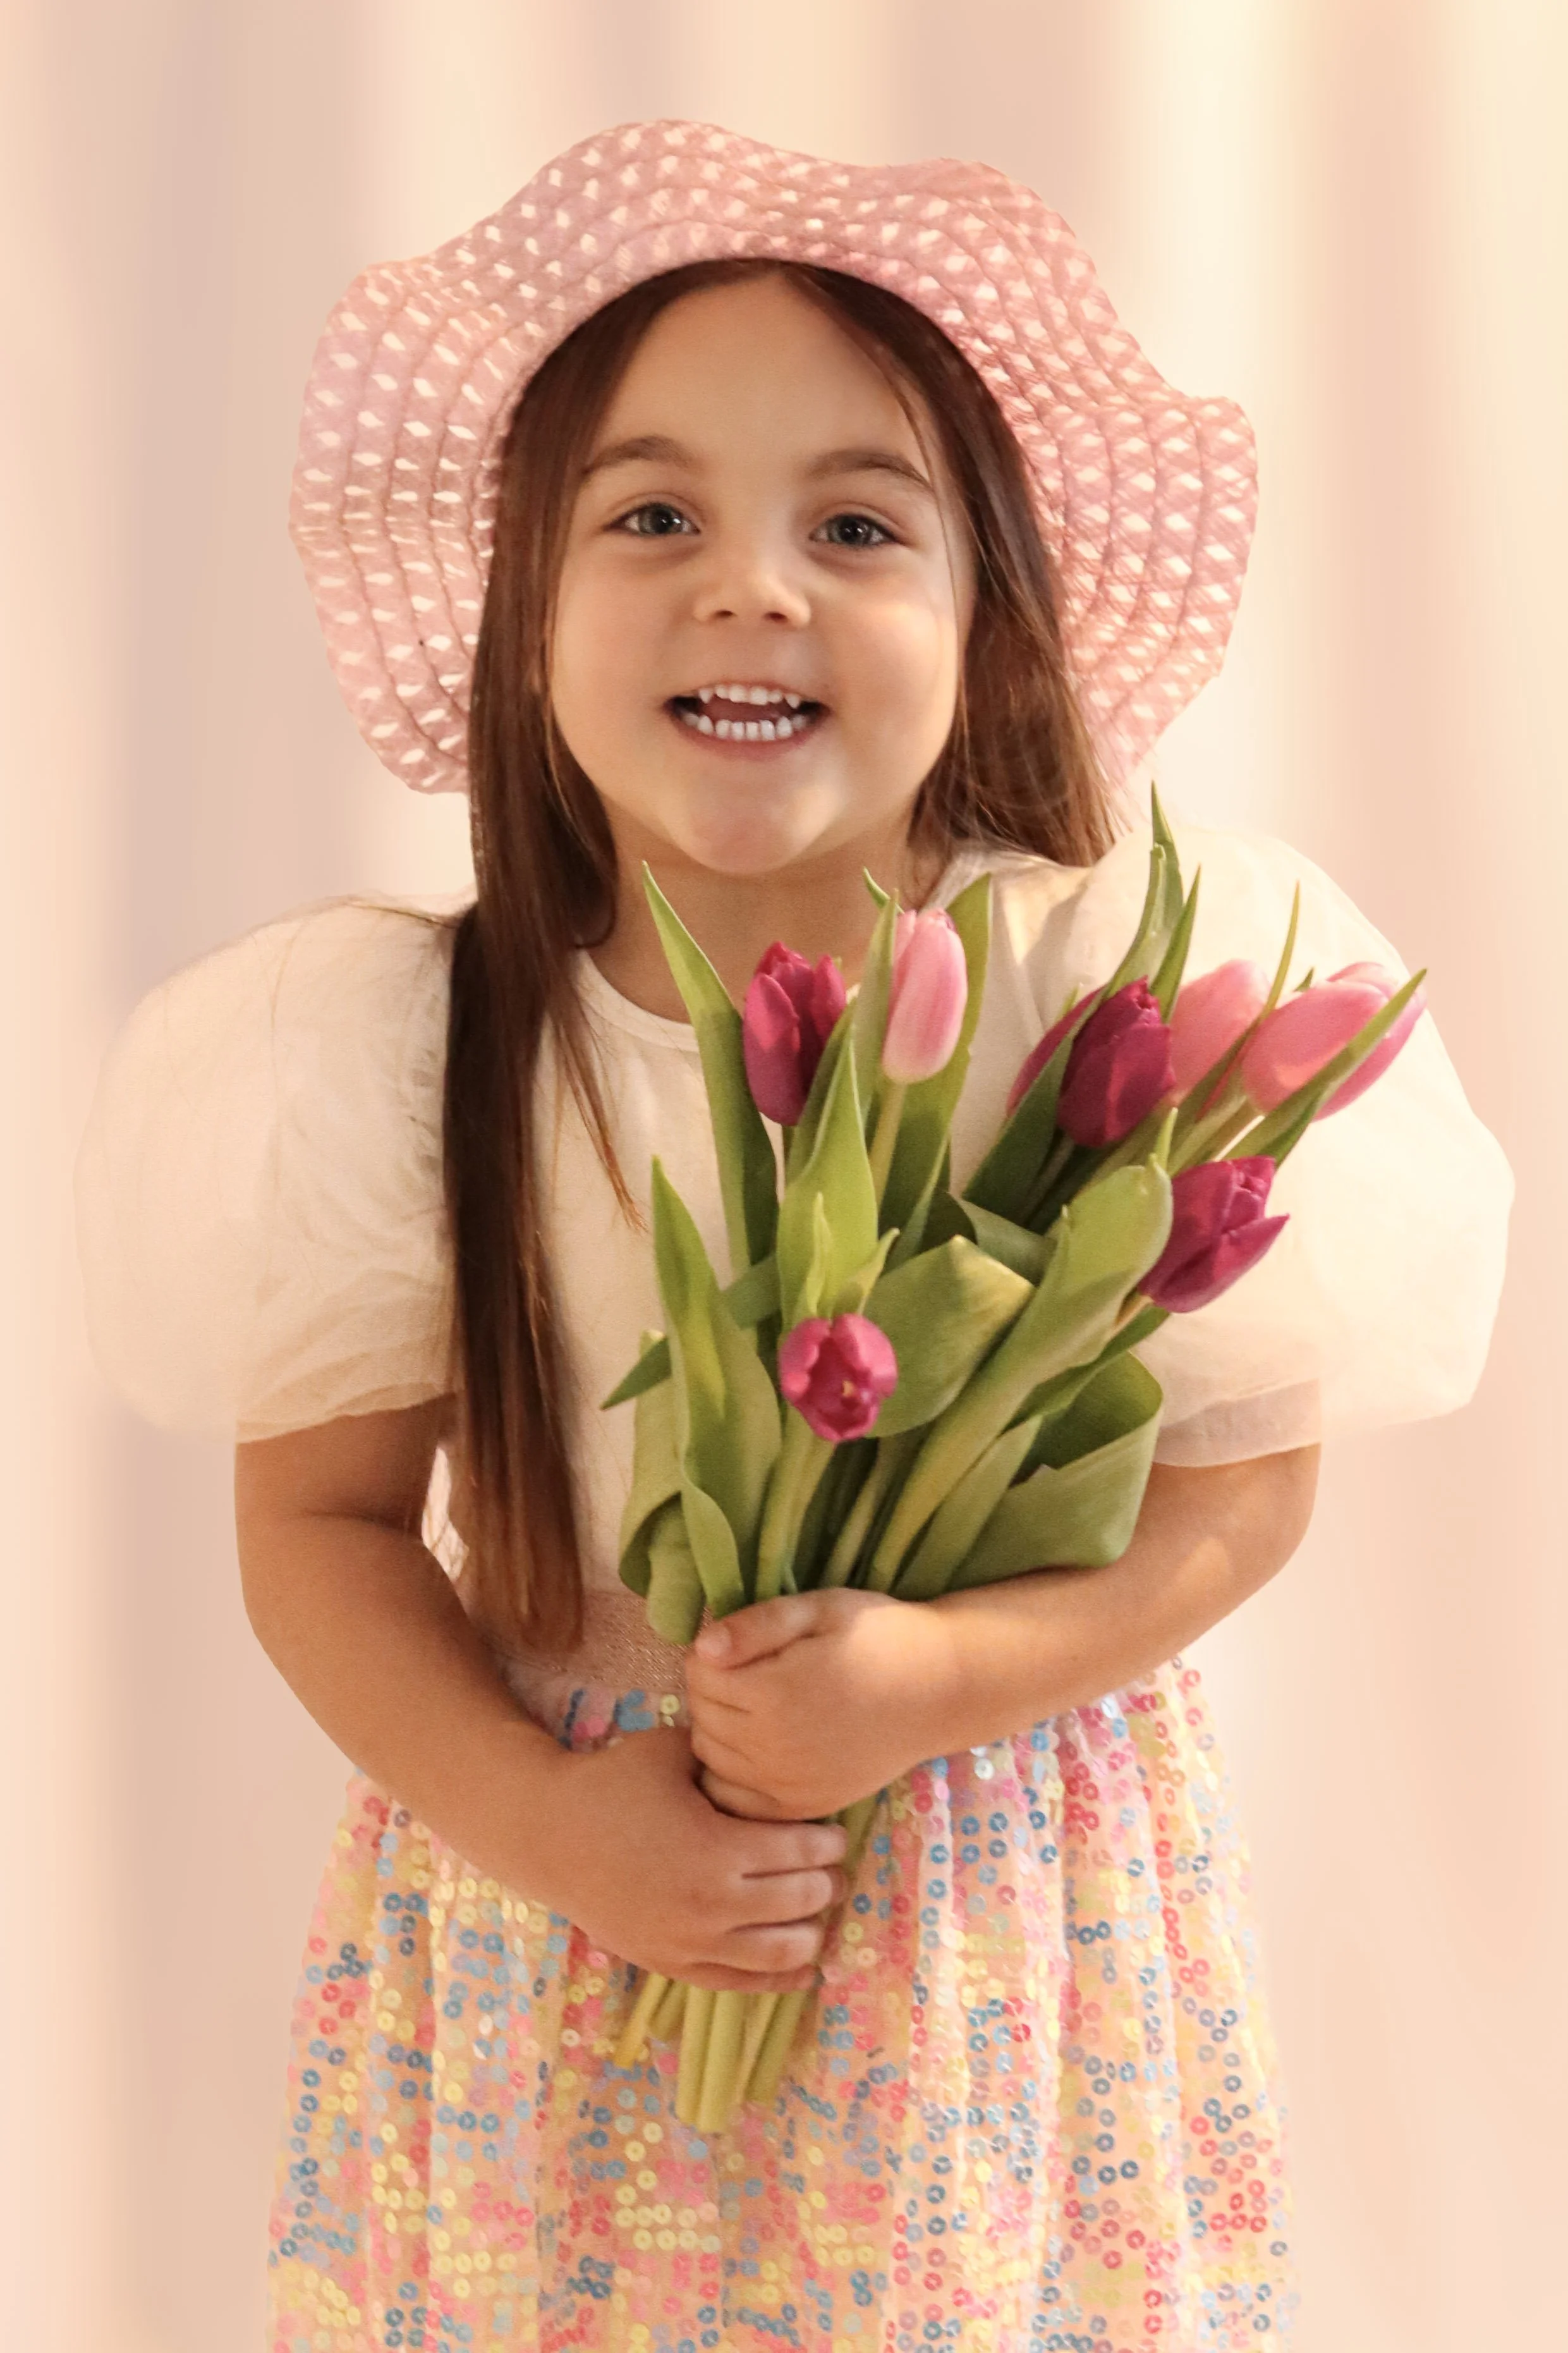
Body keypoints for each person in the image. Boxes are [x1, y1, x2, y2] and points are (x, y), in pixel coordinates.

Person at [75, 120, 1511, 2353]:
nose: (754, 585)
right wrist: (562, 1838)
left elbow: (1243, 1488)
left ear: (989, 622)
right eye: (654, 517)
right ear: (520, 613)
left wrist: (943, 1677)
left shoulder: (1092, 988)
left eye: (856, 525)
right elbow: (323, 1533)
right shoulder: (403, 1041)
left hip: (984, 1912)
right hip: (577, 1895)